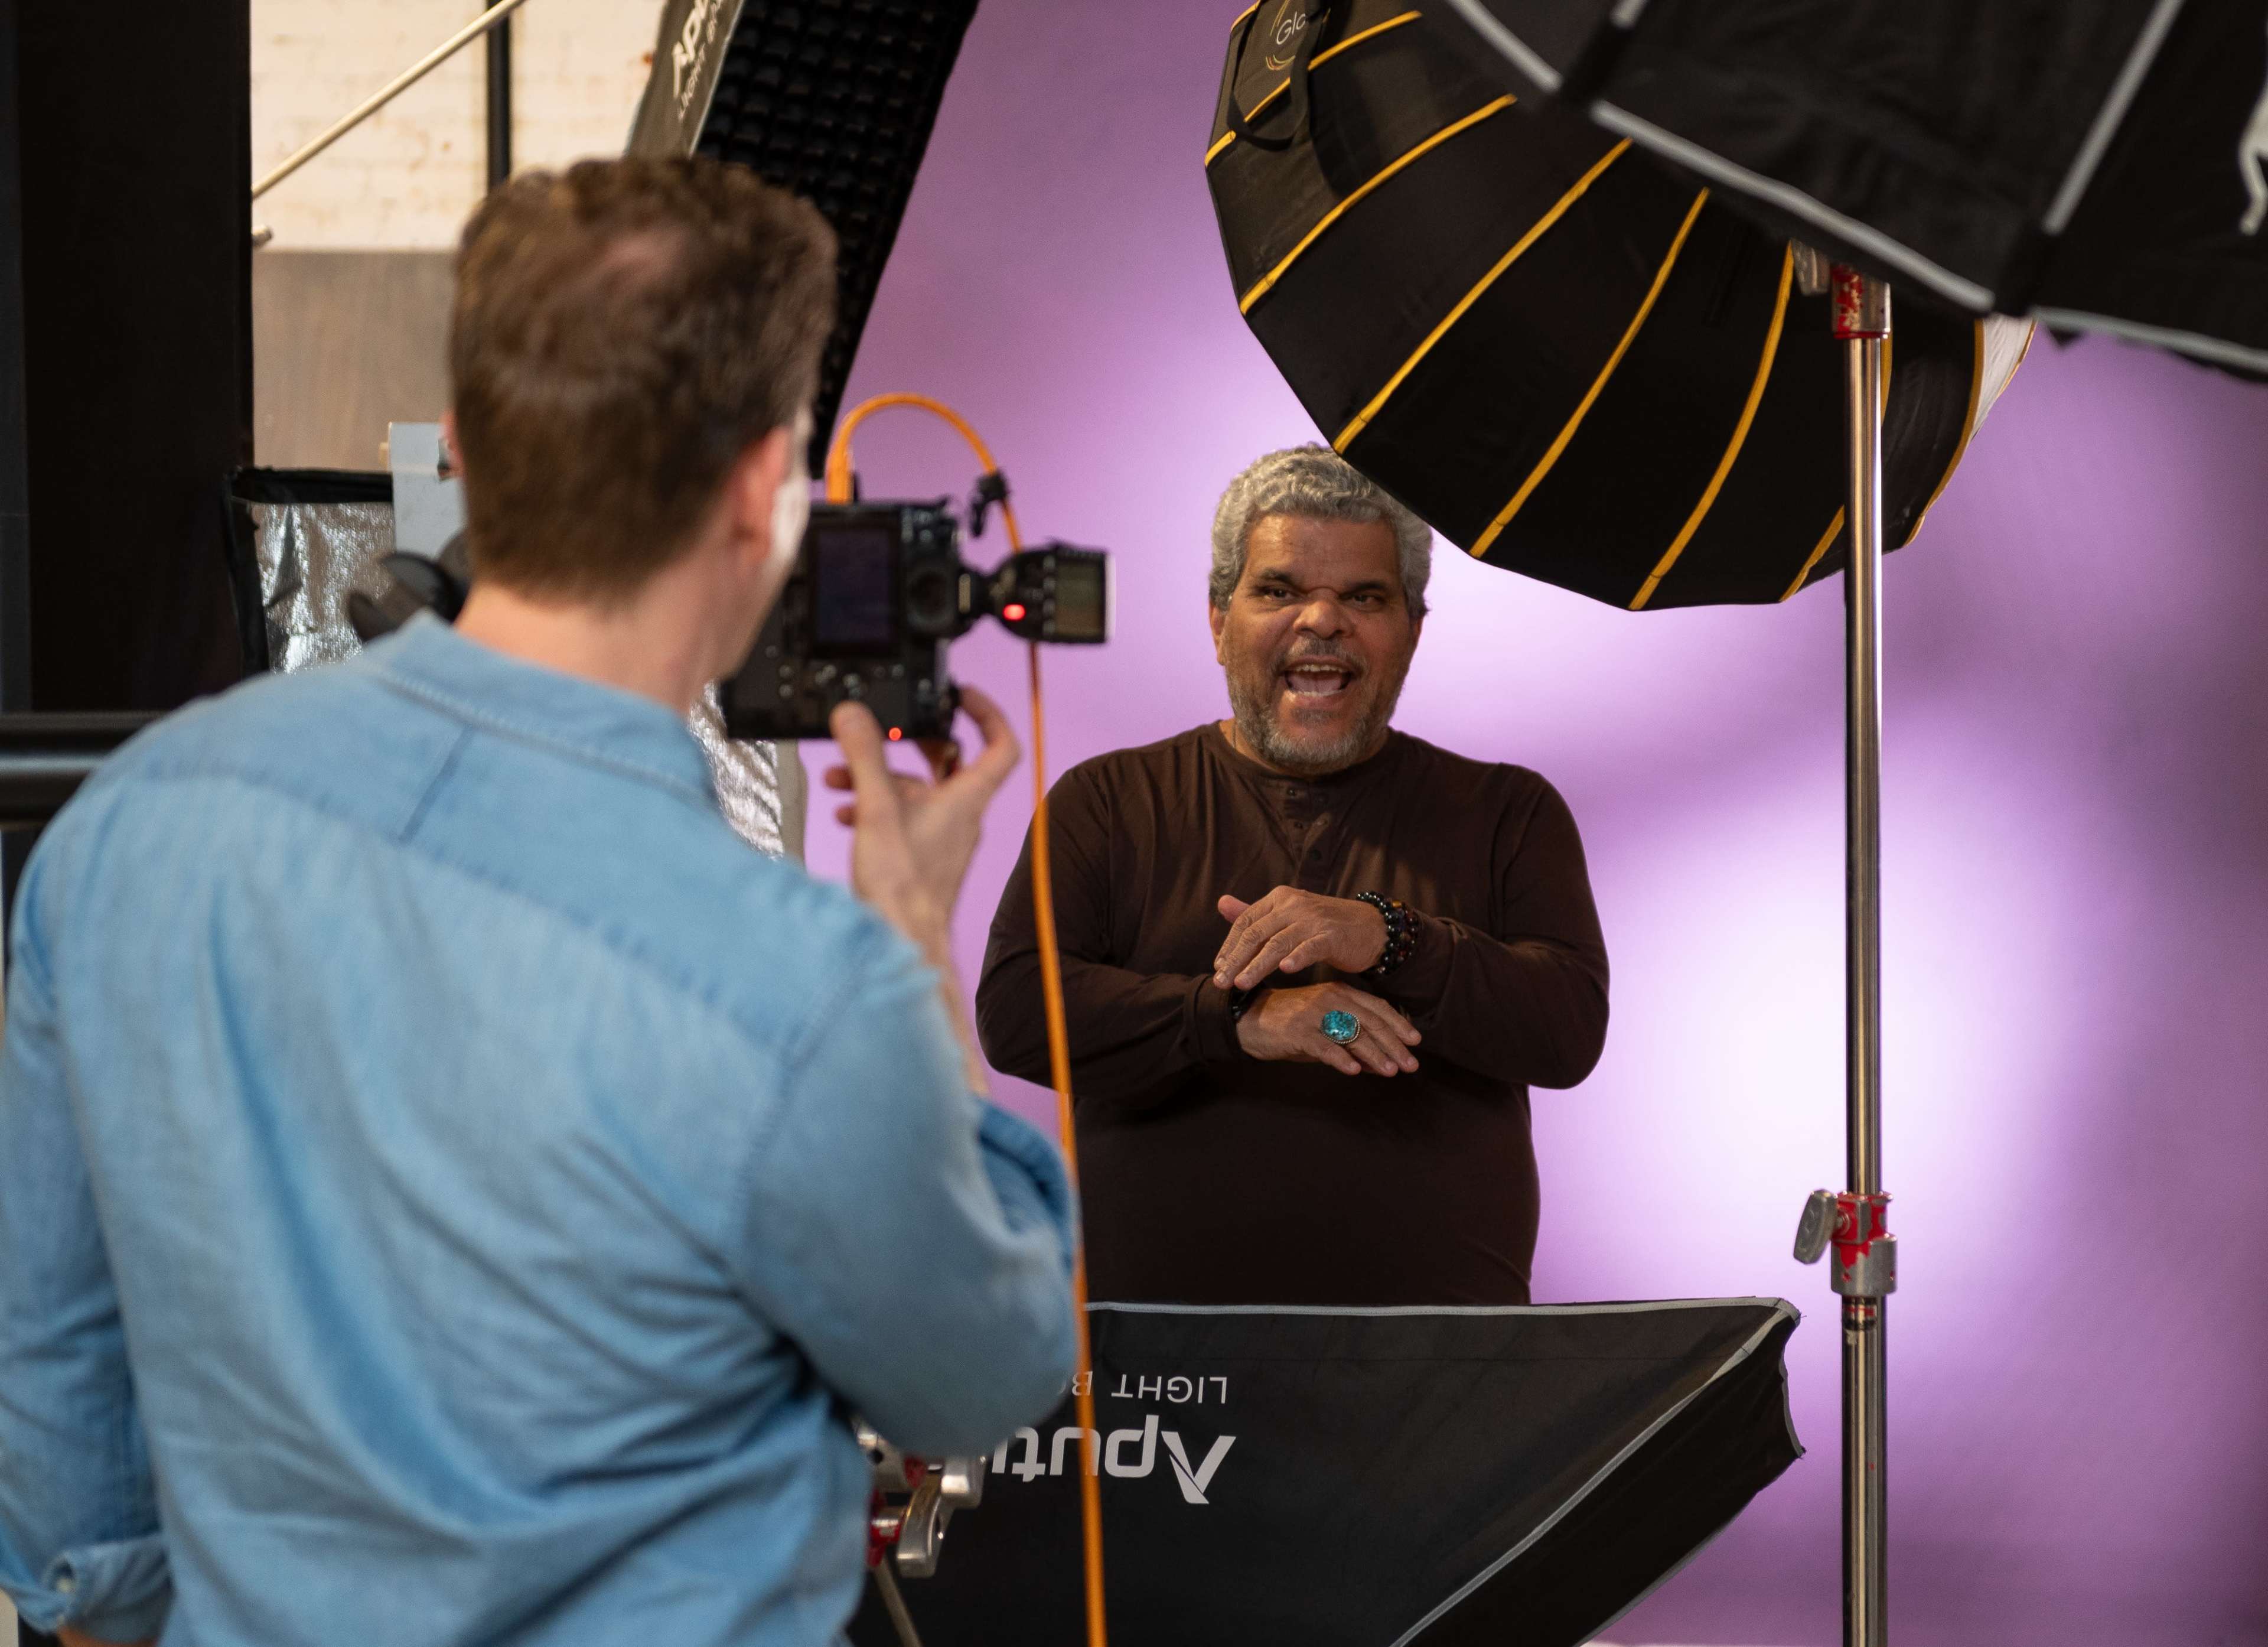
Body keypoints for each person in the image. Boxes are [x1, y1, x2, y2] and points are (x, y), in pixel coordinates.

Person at [0, 158, 1076, 1647]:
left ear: (465, 453)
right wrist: (916, 951)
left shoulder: (125, 831)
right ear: (763, 489)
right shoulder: (802, 983)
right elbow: (983, 1367)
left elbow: (57, 1382)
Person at [977, 445, 1608, 1309]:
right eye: (1278, 590)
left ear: (1413, 633)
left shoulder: (1506, 811)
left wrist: (1391, 936)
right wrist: (1240, 1018)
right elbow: (1018, 1013)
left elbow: (1567, 1031)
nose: (1322, 620)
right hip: (1161, 1372)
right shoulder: (1108, 802)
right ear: (1217, 620)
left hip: (1445, 1371)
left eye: (1365, 597)